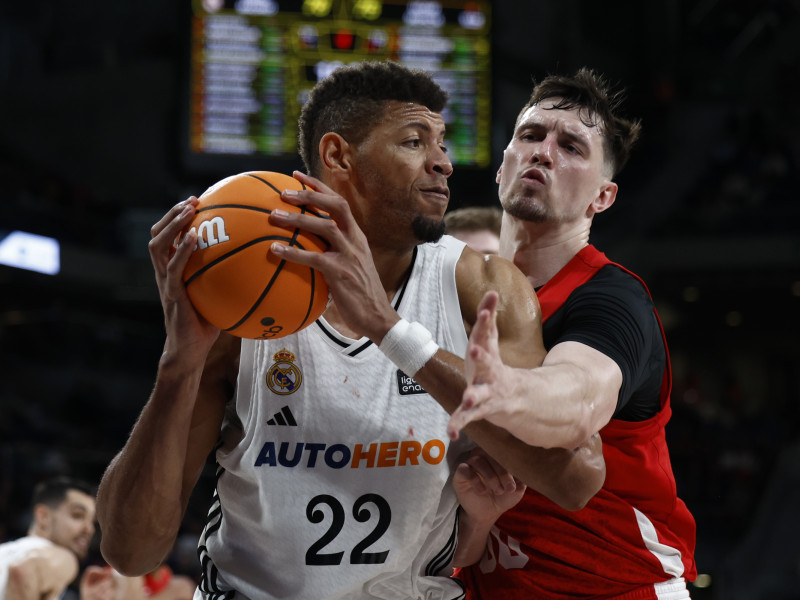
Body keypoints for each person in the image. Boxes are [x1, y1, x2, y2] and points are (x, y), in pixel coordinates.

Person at [95, 60, 605, 600]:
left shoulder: (482, 289)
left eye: (442, 142)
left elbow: (575, 479)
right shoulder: (244, 294)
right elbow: (131, 553)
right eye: (415, 142)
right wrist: (178, 365)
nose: (444, 163)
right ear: (339, 156)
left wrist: (388, 330)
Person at [447, 68, 698, 598]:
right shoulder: (453, 286)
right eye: (531, 136)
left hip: (613, 586)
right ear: (501, 168)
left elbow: (580, 399)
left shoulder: (613, 298)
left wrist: (503, 389)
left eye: (571, 147)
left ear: (602, 198)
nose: (543, 152)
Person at [0, 476, 96, 600]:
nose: (89, 529)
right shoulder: (62, 555)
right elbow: (25, 571)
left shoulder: (4, 551)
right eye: (77, 516)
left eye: (93, 521)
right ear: (43, 516)